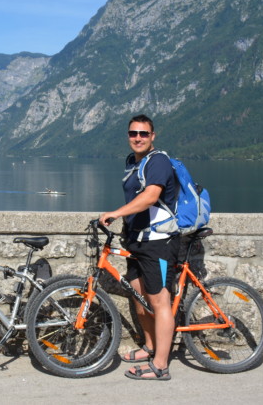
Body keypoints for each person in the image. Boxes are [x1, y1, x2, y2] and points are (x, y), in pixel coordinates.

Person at [98, 113, 179, 381]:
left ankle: (161, 365)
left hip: (158, 243)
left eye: (144, 134)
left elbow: (151, 196)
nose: (138, 138)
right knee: (140, 298)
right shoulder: (132, 162)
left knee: (160, 301)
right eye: (133, 133)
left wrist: (116, 213)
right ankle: (150, 346)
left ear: (152, 136)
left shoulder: (158, 162)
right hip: (136, 240)